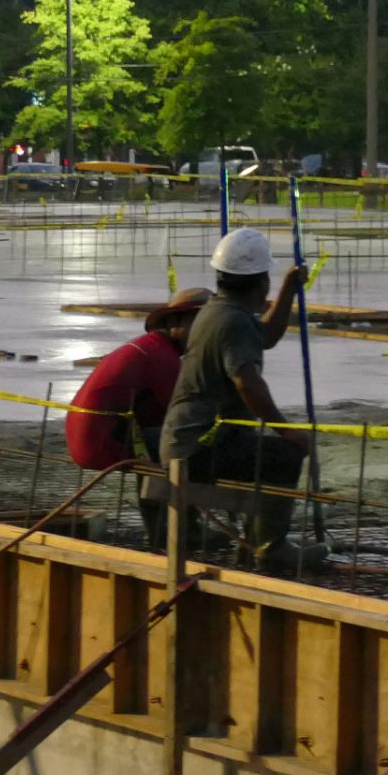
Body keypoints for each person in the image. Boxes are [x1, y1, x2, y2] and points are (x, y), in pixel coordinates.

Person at [161, 227, 317, 573]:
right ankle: (270, 549)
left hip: (191, 442)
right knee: (283, 455)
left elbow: (267, 336)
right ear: (260, 282)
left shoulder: (220, 311)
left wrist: (289, 289)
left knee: (254, 449)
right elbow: (247, 382)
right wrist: (285, 430)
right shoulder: (232, 321)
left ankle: (254, 544)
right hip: (196, 450)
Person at [66, 286, 209, 541]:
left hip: (95, 433)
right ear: (176, 322)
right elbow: (177, 419)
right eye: (201, 324)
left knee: (159, 443)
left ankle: (167, 527)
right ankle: (171, 530)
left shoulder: (150, 348)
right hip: (101, 440)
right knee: (181, 447)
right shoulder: (162, 358)